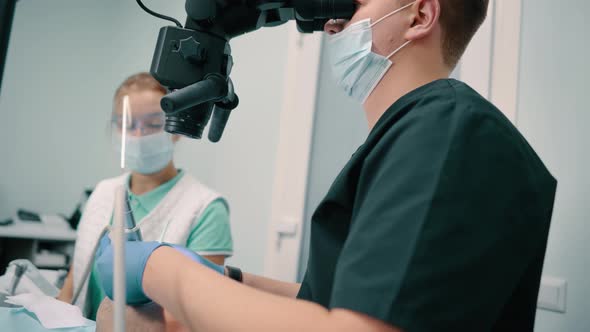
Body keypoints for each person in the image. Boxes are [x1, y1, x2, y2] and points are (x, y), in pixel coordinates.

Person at [95, 1, 558, 331]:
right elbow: (332, 301)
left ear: (419, 15)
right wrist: (230, 278)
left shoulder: (447, 130)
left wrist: (159, 269)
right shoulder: (412, 132)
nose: (331, 22)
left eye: (353, 6)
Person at [56, 72, 233, 320]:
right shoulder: (103, 192)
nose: (138, 136)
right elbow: (76, 278)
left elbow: (198, 313)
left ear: (176, 127)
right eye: (128, 124)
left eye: (152, 124)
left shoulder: (206, 208)